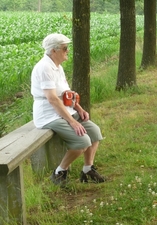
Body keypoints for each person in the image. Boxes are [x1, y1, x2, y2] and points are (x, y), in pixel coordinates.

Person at [31, 33, 105, 186]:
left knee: (95, 133)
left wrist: (79, 108)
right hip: (49, 115)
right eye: (65, 49)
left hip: (65, 111)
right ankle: (59, 172)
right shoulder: (44, 68)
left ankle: (87, 170)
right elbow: (52, 99)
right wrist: (72, 122)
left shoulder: (58, 67)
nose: (68, 51)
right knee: (82, 142)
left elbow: (66, 94)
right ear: (54, 51)